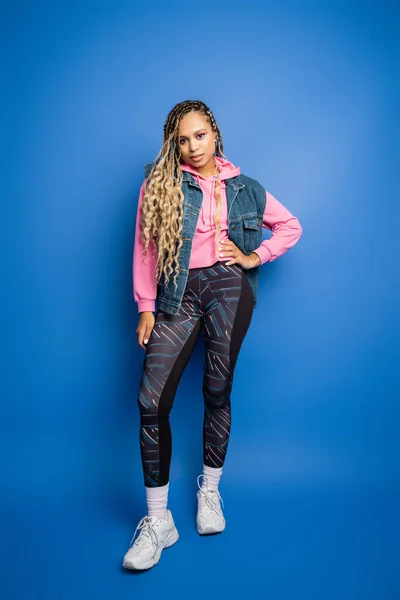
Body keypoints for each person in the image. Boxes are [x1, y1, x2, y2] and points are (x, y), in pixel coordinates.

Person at [122, 100, 303, 571]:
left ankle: (209, 490)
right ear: (173, 143)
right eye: (183, 139)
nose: (192, 146)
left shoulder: (245, 188)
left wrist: (252, 257)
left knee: (216, 389)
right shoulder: (160, 184)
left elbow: (289, 226)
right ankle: (158, 521)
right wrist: (146, 307)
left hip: (227, 287)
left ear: (215, 134)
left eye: (200, 135)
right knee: (150, 400)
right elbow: (146, 246)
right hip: (177, 293)